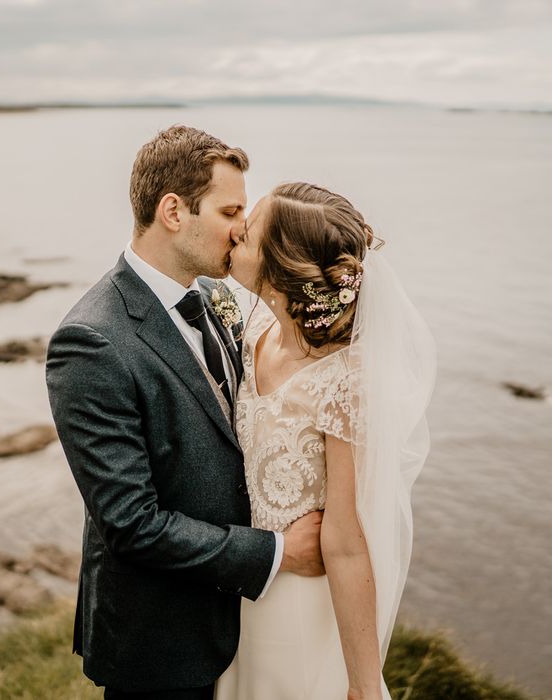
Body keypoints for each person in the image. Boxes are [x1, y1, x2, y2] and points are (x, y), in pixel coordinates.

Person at [45, 127, 326, 700]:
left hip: (239, 625)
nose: (243, 228)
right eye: (230, 210)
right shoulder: (91, 341)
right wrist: (277, 553)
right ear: (173, 211)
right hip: (162, 643)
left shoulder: (214, 299)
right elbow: (130, 523)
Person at [215, 183, 436, 700]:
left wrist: (363, 684)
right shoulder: (256, 332)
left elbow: (345, 543)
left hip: (298, 610)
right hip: (245, 584)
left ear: (280, 270)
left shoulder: (345, 383)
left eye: (245, 235)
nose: (233, 235)